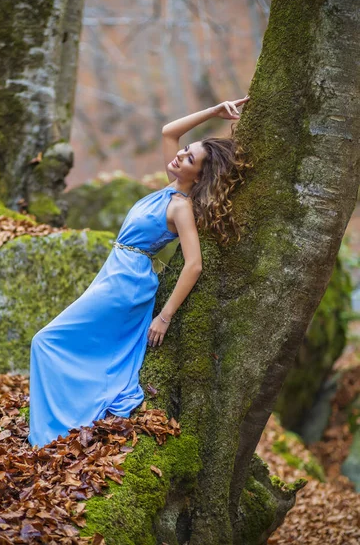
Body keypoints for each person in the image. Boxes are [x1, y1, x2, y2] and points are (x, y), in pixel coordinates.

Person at [28, 96, 251, 448]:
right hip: (115, 272)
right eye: (184, 152)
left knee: (46, 341)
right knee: (65, 344)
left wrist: (164, 316)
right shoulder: (169, 185)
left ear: (200, 174)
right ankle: (57, 428)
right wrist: (214, 111)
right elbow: (168, 131)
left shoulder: (181, 207)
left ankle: (51, 434)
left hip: (127, 282)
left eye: (189, 158)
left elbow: (194, 264)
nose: (179, 156)